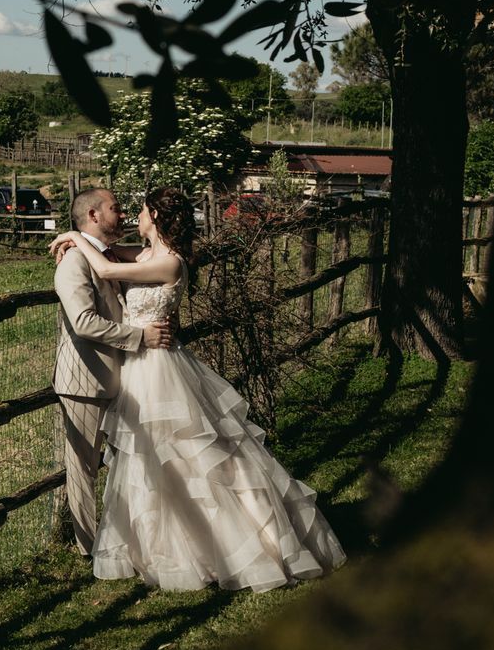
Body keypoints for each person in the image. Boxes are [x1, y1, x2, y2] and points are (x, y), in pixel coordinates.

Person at [52, 185, 346, 591]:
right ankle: (161, 544)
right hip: (140, 366)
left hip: (158, 367)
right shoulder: (143, 254)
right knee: (150, 462)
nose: (131, 216)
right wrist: (77, 239)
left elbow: (103, 270)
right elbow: (103, 258)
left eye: (138, 210)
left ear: (155, 217)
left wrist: (71, 238)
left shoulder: (170, 262)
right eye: (123, 208)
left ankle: (232, 541)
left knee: (190, 454)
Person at [52, 186, 173, 555]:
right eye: (115, 209)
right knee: (83, 470)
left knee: (132, 462)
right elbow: (84, 322)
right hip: (85, 380)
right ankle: (89, 549)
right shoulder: (74, 261)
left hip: (126, 376)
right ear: (93, 215)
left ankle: (131, 537)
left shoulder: (109, 255)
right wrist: (139, 337)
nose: (122, 215)